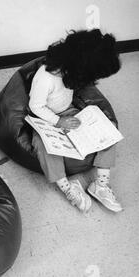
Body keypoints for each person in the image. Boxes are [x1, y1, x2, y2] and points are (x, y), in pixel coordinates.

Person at [29, 29, 122, 212]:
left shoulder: (71, 72)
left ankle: (100, 185)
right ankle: (68, 187)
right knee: (42, 146)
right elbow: (36, 107)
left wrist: (70, 117)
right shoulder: (45, 78)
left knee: (109, 129)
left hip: (70, 111)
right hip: (46, 118)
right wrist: (57, 122)